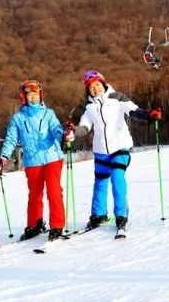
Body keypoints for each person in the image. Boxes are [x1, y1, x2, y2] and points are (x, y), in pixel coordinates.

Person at [65, 70, 162, 238]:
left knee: (117, 177)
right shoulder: (89, 107)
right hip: (101, 149)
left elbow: (134, 110)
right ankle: (99, 215)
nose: (95, 89)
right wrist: (72, 132)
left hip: (121, 146)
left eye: (97, 85)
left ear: (103, 84)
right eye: (90, 87)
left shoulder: (117, 98)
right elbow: (85, 128)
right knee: (100, 182)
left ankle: (121, 216)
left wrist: (149, 115)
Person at [0, 79, 66, 242]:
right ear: (23, 97)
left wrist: (63, 135)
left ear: (40, 95)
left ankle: (57, 225)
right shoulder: (17, 118)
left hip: (52, 157)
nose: (33, 98)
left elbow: (56, 129)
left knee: (54, 192)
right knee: (34, 194)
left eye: (36, 94)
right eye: (29, 95)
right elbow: (11, 139)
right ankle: (35, 224)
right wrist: (4, 157)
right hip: (32, 161)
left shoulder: (49, 114)